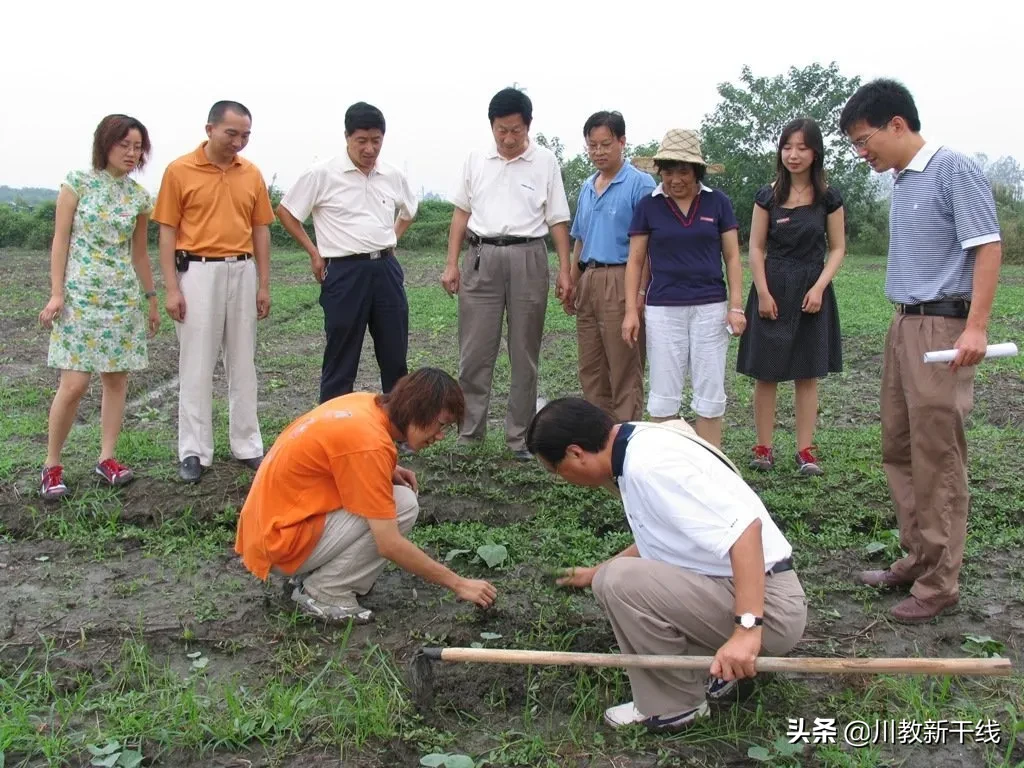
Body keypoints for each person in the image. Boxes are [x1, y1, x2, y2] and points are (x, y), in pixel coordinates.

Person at [526, 397, 807, 731]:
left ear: (575, 452)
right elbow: (664, 535)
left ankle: (676, 706)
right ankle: (715, 668)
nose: (562, 479)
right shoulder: (635, 443)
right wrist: (594, 572)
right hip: (748, 588)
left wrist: (746, 632)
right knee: (610, 577)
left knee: (618, 583)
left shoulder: (650, 467)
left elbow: (745, 532)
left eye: (557, 470)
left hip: (771, 608)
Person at [840, 79, 1002, 623]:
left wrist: (975, 328)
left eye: (865, 141)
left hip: (942, 329)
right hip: (904, 324)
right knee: (900, 447)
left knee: (938, 457)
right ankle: (917, 557)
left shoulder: (953, 168)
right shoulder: (904, 181)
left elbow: (986, 247)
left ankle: (940, 583)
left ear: (897, 125)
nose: (863, 153)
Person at [234, 367, 498, 623]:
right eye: (440, 425)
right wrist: (459, 583)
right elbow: (389, 544)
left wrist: (388, 468)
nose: (440, 436)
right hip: (279, 543)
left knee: (394, 499)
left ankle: (319, 575)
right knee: (403, 505)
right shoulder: (369, 445)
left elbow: (337, 451)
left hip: (267, 528)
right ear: (418, 409)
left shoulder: (365, 404)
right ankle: (325, 592)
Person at [441, 86, 572, 460]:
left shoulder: (545, 161)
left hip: (528, 256)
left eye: (516, 130)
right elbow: (461, 213)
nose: (508, 138)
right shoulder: (475, 159)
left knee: (524, 353)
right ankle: (469, 432)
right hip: (482, 256)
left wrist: (564, 270)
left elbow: (558, 219)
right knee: (474, 351)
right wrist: (451, 263)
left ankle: (518, 436)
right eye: (501, 130)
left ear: (528, 127)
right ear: (491, 126)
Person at [38, 114, 160, 500]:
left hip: (122, 299)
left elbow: (139, 253)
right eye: (124, 144)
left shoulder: (139, 197)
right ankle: (51, 465)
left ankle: (107, 458)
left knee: (116, 380)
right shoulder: (77, 183)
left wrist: (151, 297)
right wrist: (57, 293)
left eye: (138, 147)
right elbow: (60, 241)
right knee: (74, 384)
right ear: (104, 144)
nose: (131, 153)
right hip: (80, 298)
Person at [152, 101, 276, 484]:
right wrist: (171, 287)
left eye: (245, 136)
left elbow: (261, 230)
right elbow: (167, 231)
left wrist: (264, 284)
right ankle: (194, 450)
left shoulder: (251, 173)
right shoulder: (179, 171)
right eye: (231, 134)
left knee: (243, 362)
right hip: (197, 272)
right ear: (209, 129)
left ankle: (248, 444)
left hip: (241, 269)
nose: (238, 142)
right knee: (197, 364)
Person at [276, 102, 419, 404]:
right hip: (343, 272)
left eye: (376, 140)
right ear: (347, 137)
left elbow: (409, 211)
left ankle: (400, 427)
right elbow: (287, 212)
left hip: (386, 270)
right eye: (362, 141)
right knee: (341, 356)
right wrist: (315, 254)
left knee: (394, 354)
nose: (369, 149)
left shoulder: (392, 175)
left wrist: (392, 238)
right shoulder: (322, 174)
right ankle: (333, 425)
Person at [736, 118, 846, 475]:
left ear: (815, 153)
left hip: (812, 290)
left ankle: (805, 451)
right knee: (766, 374)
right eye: (787, 147)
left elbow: (839, 248)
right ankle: (763, 448)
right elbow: (754, 247)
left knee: (806, 373)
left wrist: (819, 287)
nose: (793, 155)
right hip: (773, 288)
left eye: (801, 147)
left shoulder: (828, 198)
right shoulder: (767, 195)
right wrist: (763, 292)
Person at [622, 130, 746, 449]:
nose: (675, 179)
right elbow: (635, 262)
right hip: (663, 309)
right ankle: (664, 466)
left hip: (710, 309)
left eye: (683, 171)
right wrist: (630, 312)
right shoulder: (648, 206)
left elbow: (732, 257)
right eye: (668, 171)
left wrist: (736, 306)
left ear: (697, 172)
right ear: (659, 171)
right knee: (664, 393)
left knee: (710, 391)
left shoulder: (718, 203)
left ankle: (712, 465)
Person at [565, 110, 655, 421]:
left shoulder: (640, 185)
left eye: (606, 144)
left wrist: (640, 293)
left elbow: (645, 247)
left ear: (622, 142)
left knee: (624, 366)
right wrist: (571, 282)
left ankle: (626, 438)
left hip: (622, 279)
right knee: (591, 366)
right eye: (592, 146)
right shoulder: (589, 187)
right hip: (589, 277)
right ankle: (599, 436)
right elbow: (580, 239)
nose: (599, 152)